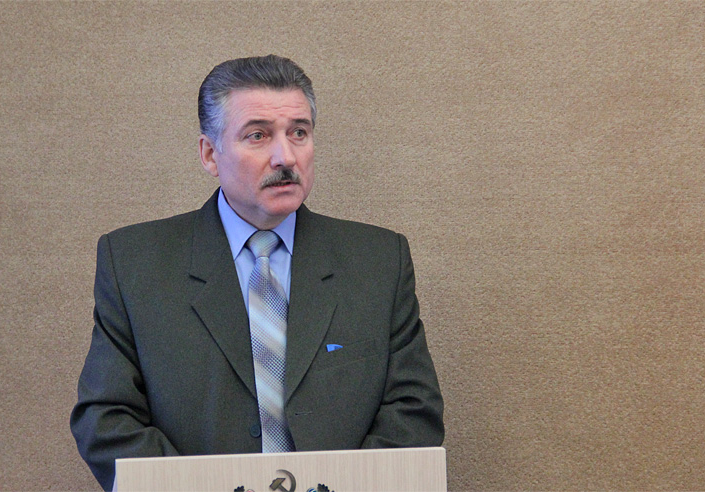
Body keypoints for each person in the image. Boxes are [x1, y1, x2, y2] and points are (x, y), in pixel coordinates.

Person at [70, 55, 444, 491]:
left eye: (298, 132)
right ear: (210, 154)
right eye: (258, 135)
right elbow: (106, 418)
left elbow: (413, 409)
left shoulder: (378, 260)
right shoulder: (135, 263)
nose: (285, 156)